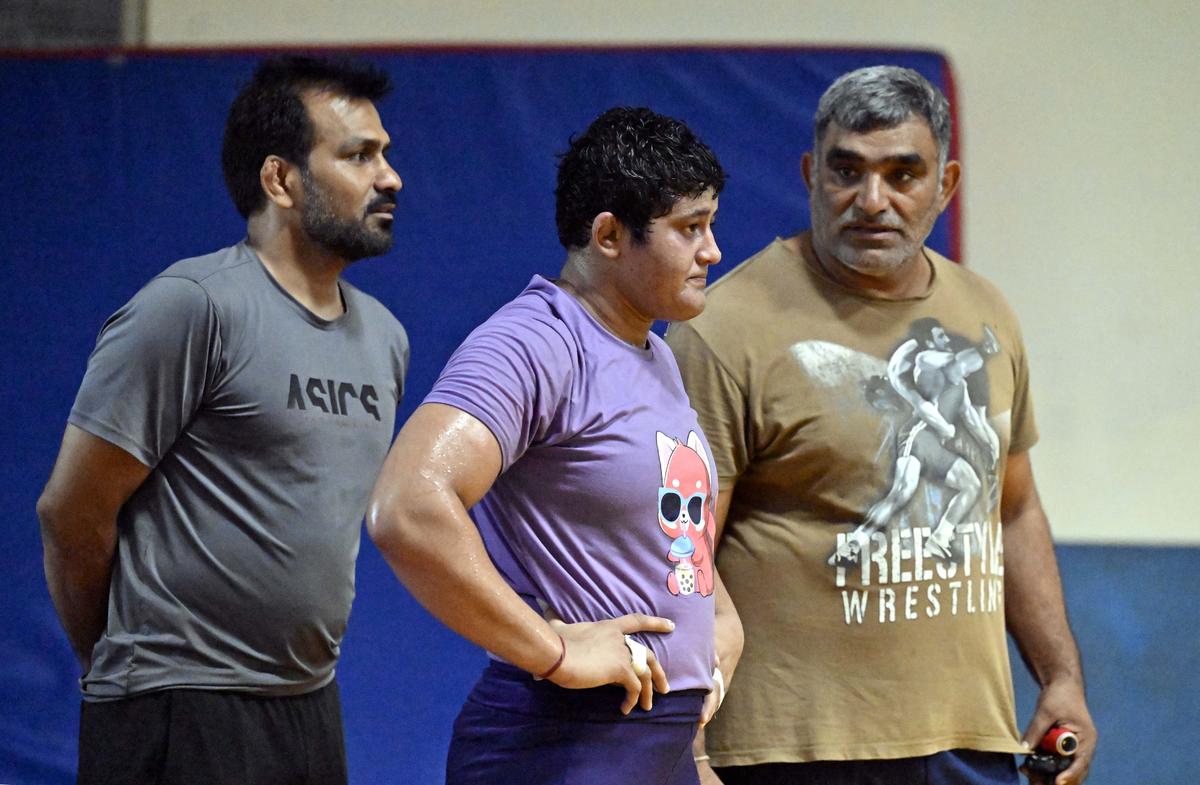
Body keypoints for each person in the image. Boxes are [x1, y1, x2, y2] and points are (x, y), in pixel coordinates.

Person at [666, 66, 1095, 785]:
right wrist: (689, 749)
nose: (873, 201)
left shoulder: (985, 310)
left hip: (970, 741)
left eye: (903, 174)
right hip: (792, 754)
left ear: (946, 185)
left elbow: (1014, 507)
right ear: (809, 175)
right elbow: (680, 552)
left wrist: (1061, 678)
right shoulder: (723, 329)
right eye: (847, 171)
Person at [36, 55, 408, 785]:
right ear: (281, 179)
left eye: (385, 154)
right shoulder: (193, 306)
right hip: (176, 705)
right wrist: (125, 664)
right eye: (359, 155)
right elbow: (71, 513)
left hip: (307, 705)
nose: (389, 177)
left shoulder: (386, 338)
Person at [366, 106, 741, 785]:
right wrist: (554, 649)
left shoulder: (655, 354)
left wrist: (716, 618)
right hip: (561, 740)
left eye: (710, 225)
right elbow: (406, 505)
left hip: (653, 741)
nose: (712, 250)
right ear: (608, 234)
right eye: (691, 228)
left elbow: (659, 534)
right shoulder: (536, 342)